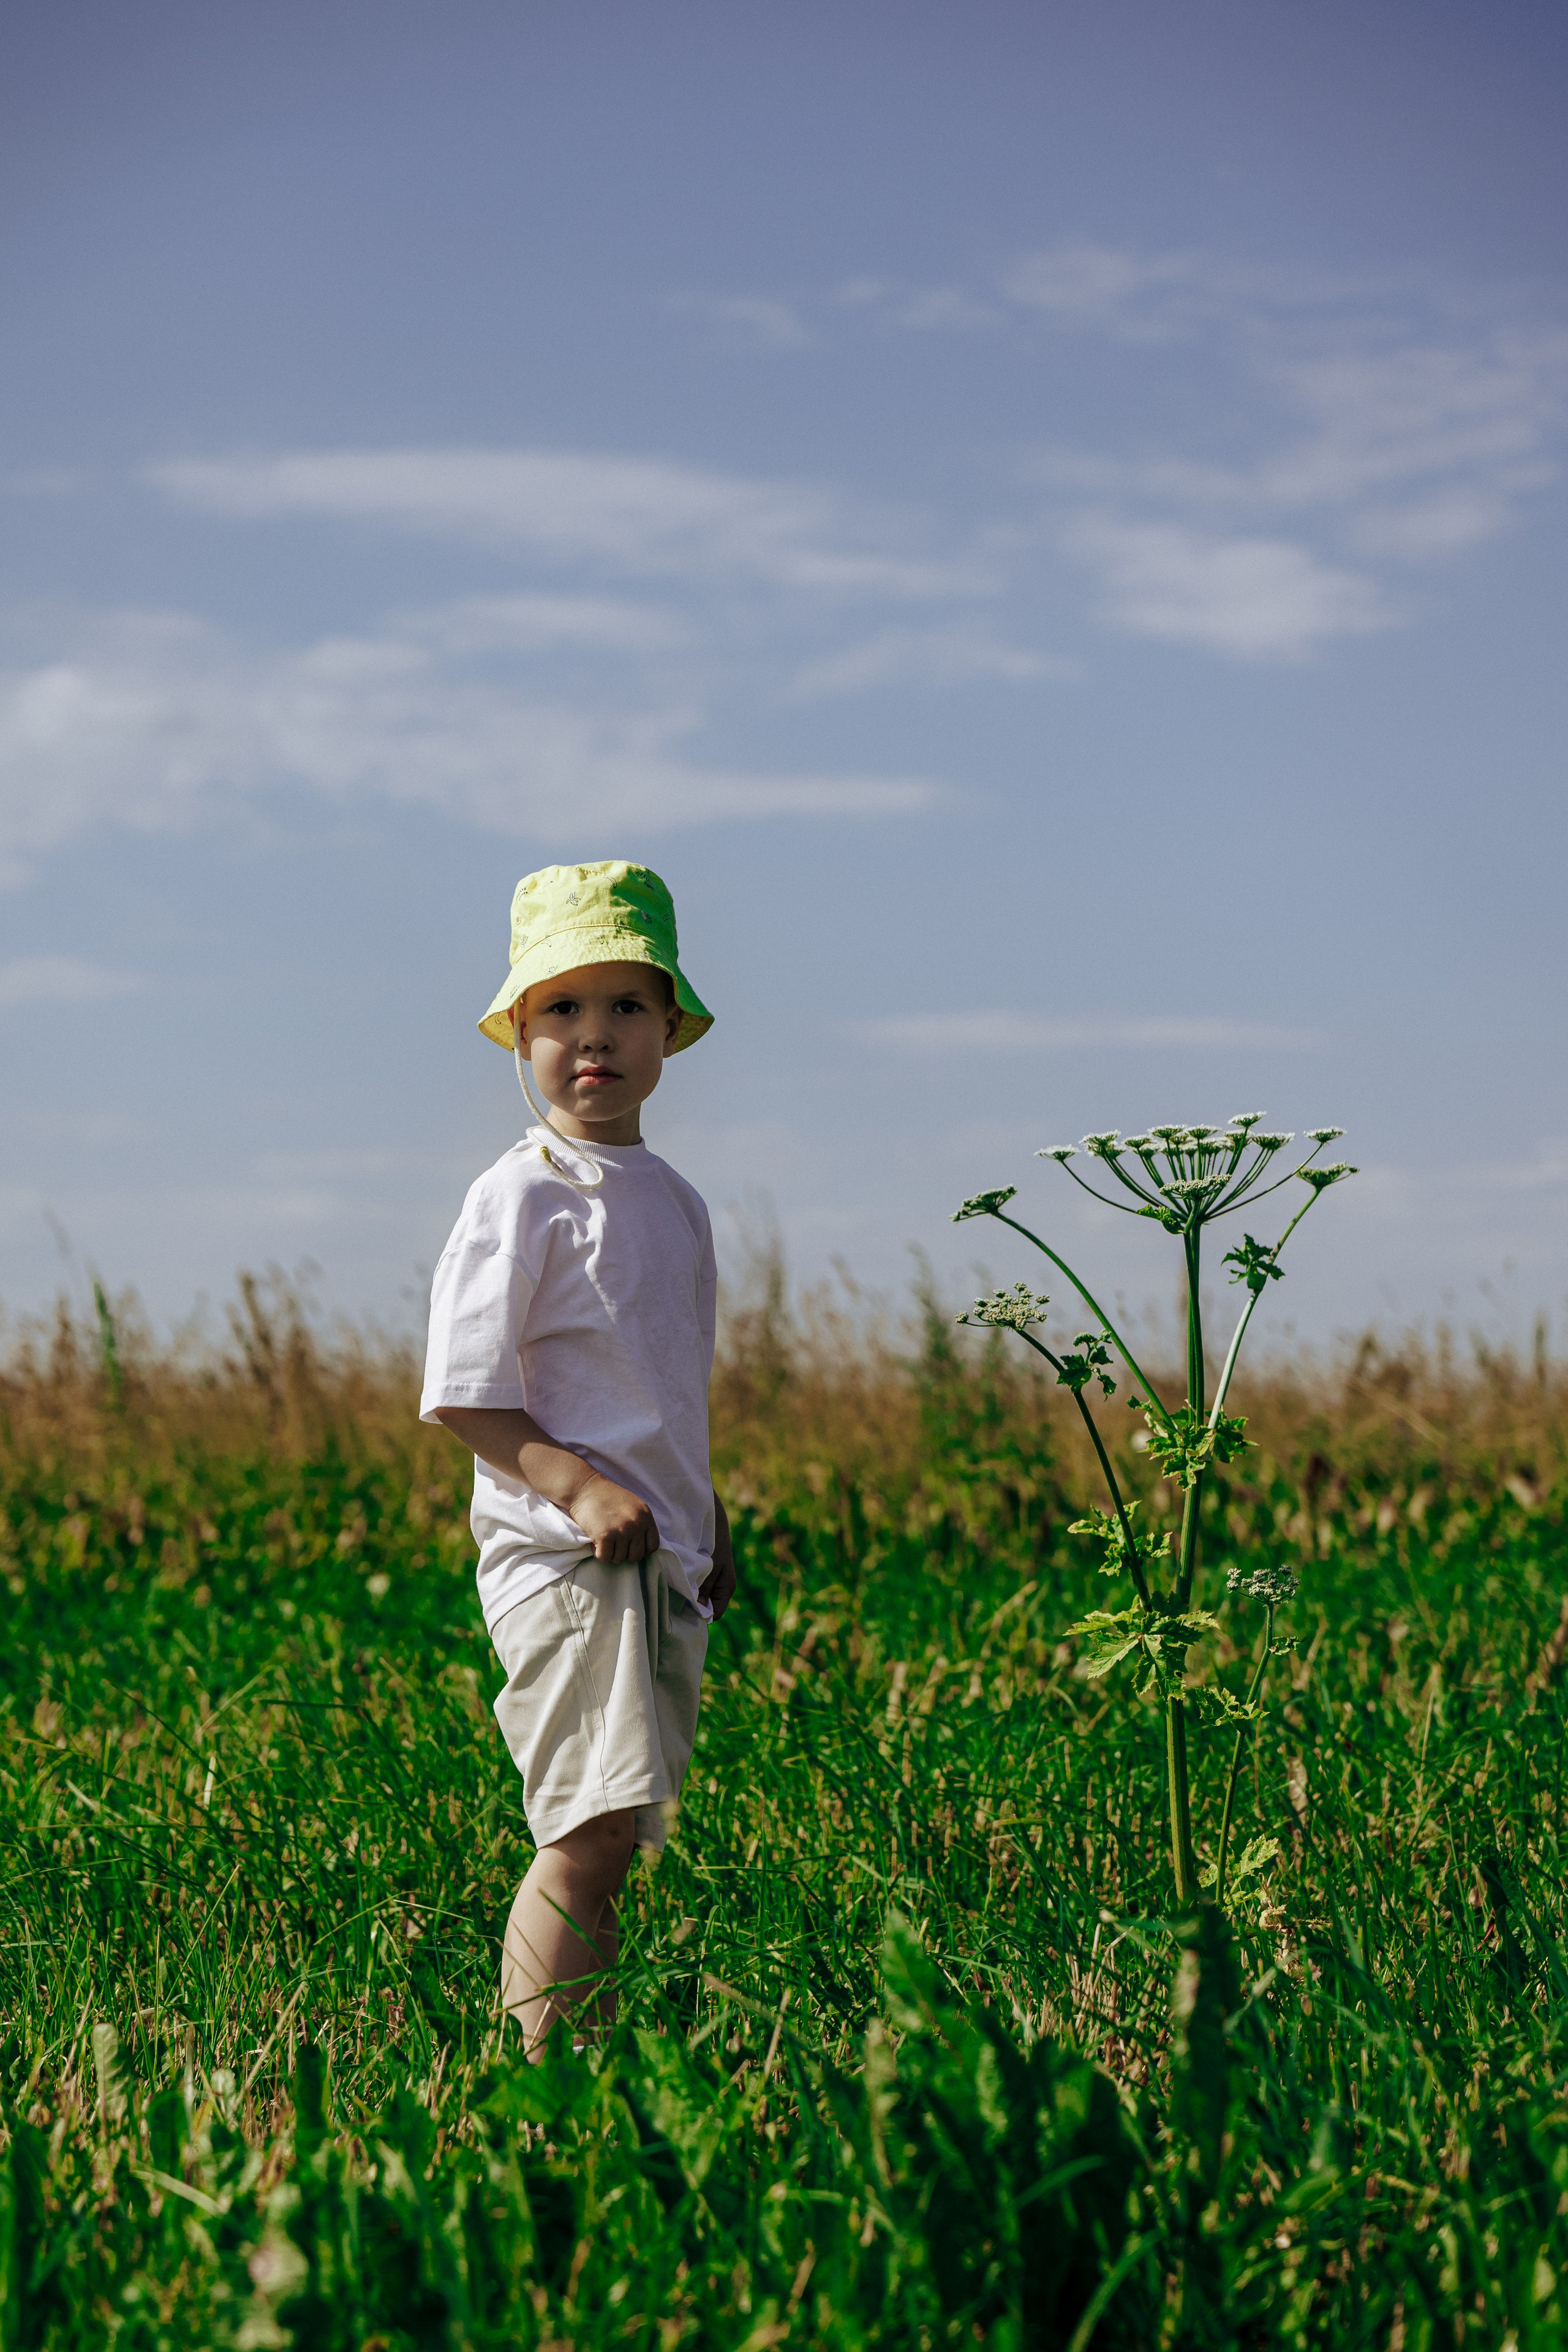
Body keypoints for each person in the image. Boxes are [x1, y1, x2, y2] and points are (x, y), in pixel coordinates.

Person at [420, 860, 736, 2054]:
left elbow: (663, 1392)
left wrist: (707, 1525)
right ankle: (541, 2085)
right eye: (560, 1009)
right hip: (566, 1556)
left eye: (622, 1007)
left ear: (667, 1030)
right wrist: (579, 1486)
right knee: (585, 1828)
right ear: (518, 1034)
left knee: (624, 1830)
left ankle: (583, 2061)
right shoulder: (523, 1196)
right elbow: (465, 1396)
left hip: (654, 1555)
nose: (591, 1035)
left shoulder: (674, 1201)